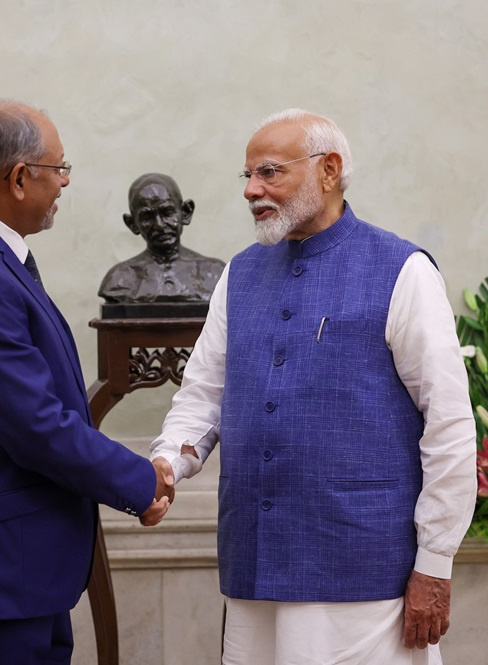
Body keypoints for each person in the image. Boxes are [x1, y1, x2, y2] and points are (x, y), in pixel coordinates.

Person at [150, 108, 477, 665]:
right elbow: (203, 396)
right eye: (247, 176)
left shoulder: (402, 270)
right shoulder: (241, 273)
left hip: (363, 573)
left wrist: (436, 564)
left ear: (329, 170)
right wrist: (167, 462)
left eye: (270, 172)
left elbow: (448, 424)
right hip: (254, 564)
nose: (252, 190)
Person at [0, 99, 173, 665]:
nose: (65, 182)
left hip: (14, 569)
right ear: (18, 178)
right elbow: (37, 426)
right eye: (59, 168)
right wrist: (141, 481)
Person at [98, 173, 225, 303]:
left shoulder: (215, 274)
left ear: (186, 212)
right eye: (147, 217)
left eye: (167, 212)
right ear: (132, 224)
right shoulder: (120, 280)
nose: (159, 225)